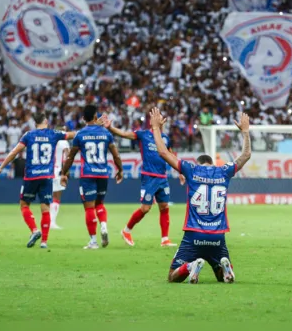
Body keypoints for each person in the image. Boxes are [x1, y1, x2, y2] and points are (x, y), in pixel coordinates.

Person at [150, 107, 250, 284]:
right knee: (220, 278)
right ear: (212, 163)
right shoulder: (223, 172)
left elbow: (163, 153)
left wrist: (156, 127)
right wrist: (245, 132)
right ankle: (225, 268)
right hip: (217, 236)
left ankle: (190, 267)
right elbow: (246, 155)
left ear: (200, 163)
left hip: (193, 235)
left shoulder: (191, 170)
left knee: (172, 276)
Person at [0, 113, 76, 249]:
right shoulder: (53, 133)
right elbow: (72, 134)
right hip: (47, 177)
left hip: (31, 176)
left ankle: (34, 230)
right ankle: (44, 241)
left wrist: (0, 168)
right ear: (45, 121)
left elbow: (14, 152)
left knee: (24, 205)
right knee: (45, 208)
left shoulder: (28, 135)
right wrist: (91, 128)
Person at [102, 114, 185, 247]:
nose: (159, 121)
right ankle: (126, 231)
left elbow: (171, 156)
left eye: (161, 119)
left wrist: (180, 171)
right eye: (156, 119)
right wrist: (110, 128)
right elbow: (124, 134)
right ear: (152, 122)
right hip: (149, 177)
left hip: (162, 178)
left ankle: (165, 239)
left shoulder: (165, 139)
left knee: (164, 207)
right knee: (145, 208)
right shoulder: (143, 135)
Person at [60, 105, 124, 250]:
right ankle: (104, 226)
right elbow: (116, 154)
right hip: (102, 174)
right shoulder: (106, 134)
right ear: (96, 117)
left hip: (87, 175)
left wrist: (64, 173)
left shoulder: (80, 135)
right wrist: (120, 170)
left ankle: (93, 241)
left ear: (83, 119)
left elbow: (70, 157)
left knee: (89, 208)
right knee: (100, 204)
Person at [50, 126, 71, 229]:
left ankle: (47, 221)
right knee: (56, 197)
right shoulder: (64, 142)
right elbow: (68, 157)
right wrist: (66, 171)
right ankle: (52, 222)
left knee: (48, 197)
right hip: (58, 171)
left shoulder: (50, 140)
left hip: (48, 171)